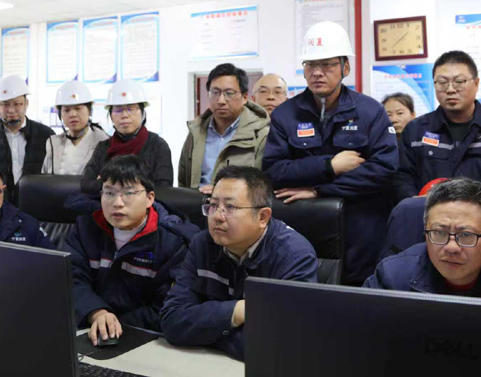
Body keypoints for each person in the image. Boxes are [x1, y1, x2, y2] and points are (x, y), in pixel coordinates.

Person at [262, 21, 398, 284]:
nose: (317, 73)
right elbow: (274, 171)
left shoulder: (370, 111)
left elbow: (385, 170)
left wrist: (319, 189)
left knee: (359, 293)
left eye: (327, 65)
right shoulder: (285, 115)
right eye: (311, 65)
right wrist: (330, 166)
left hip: (361, 226)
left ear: (345, 68)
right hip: (302, 226)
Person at [161, 166, 317, 361]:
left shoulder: (294, 256)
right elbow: (172, 320)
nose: (217, 216)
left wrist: (208, 331)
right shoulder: (203, 244)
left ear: (262, 217)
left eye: (230, 207)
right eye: (213, 205)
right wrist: (237, 311)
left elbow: (285, 344)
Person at [66, 155, 198, 345]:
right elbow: (71, 278)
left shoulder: (172, 242)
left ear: (149, 198)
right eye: (109, 192)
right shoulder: (86, 227)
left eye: (128, 193)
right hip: (89, 328)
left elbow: (167, 305)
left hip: (144, 338)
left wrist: (116, 324)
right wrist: (97, 312)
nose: (117, 203)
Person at [395, 51, 481, 202]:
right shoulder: (416, 131)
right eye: (442, 82)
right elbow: (402, 177)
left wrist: (474, 204)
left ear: (476, 84)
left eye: (459, 81)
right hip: (426, 213)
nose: (450, 89)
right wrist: (415, 201)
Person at [178, 63, 270, 195]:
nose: (221, 100)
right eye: (215, 93)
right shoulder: (196, 132)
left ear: (245, 97)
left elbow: (263, 186)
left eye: (229, 93)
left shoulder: (261, 134)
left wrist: (221, 192)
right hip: (198, 205)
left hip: (239, 206)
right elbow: (183, 181)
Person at [80, 80, 173, 199]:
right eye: (118, 110)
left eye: (131, 109)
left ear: (142, 113)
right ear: (111, 116)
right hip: (105, 208)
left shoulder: (157, 145)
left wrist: (106, 183)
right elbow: (86, 185)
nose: (124, 115)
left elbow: (163, 190)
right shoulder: (103, 147)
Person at [0, 75, 54, 205]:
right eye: (5, 104)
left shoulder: (45, 135)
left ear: (26, 103)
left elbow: (53, 175)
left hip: (37, 203)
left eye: (17, 103)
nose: (11, 110)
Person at [42, 79, 108, 175]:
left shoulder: (104, 143)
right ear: (60, 114)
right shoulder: (53, 144)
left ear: (89, 111)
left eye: (78, 109)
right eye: (66, 110)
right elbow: (45, 178)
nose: (72, 114)